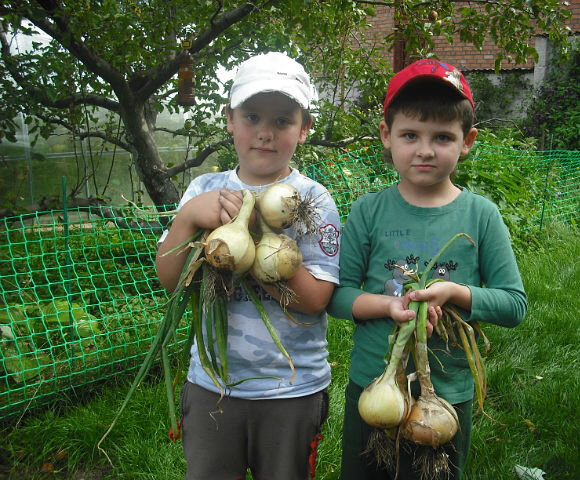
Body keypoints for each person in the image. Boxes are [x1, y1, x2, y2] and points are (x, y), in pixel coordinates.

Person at [327, 59, 527, 479]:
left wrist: (454, 293)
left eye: (442, 137)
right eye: (410, 135)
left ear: (467, 141)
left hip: (447, 394)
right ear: (387, 135)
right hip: (373, 386)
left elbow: (514, 304)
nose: (424, 149)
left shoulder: (481, 215)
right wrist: (388, 305)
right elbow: (339, 296)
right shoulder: (369, 210)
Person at [156, 52, 341, 480]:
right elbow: (170, 281)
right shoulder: (204, 190)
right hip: (211, 385)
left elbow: (314, 301)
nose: (265, 132)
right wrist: (188, 218)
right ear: (229, 119)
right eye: (252, 116)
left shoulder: (311, 201)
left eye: (282, 121)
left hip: (291, 390)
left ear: (304, 129)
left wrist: (255, 240)